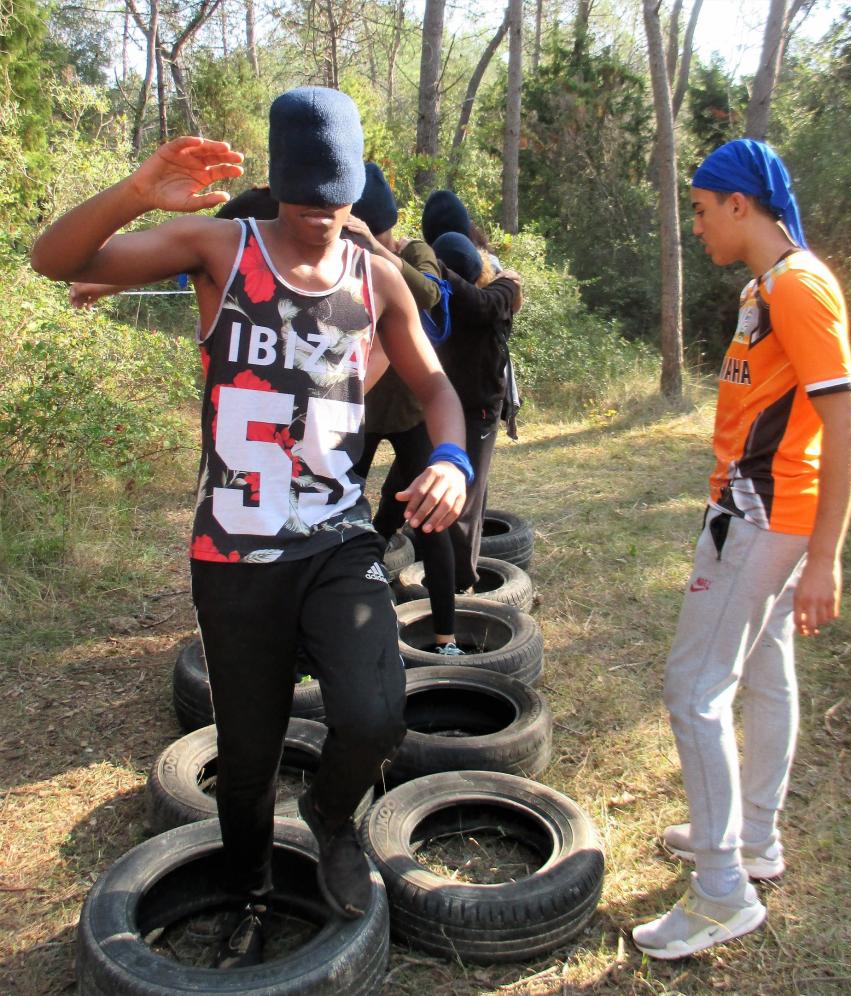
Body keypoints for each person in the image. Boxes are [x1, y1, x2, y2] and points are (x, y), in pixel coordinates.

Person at [31, 86, 471, 968]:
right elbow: (54, 258)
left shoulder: (375, 273)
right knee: (246, 754)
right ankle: (252, 891)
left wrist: (452, 461)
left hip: (336, 537)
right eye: (307, 208)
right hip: (234, 550)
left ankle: (333, 817)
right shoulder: (218, 248)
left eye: (338, 209)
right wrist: (134, 192)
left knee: (376, 713)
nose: (322, 226)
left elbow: (435, 388)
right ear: (276, 189)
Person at [632, 139, 851, 960]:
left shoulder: (798, 287)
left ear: (739, 204)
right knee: (766, 674)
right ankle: (752, 840)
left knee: (692, 689)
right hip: (756, 510)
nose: (694, 226)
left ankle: (721, 892)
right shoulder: (763, 288)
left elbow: (845, 424)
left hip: (763, 518)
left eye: (700, 209)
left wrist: (827, 556)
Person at [344, 165, 465, 654]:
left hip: (415, 411)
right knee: (337, 515)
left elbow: (431, 295)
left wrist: (374, 248)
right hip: (360, 413)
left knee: (431, 521)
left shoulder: (412, 251)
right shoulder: (342, 257)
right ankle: (344, 618)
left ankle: (445, 637)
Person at [383, 230, 522, 593]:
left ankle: (455, 581)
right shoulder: (478, 298)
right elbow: (487, 299)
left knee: (436, 493)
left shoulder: (461, 295)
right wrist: (509, 282)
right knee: (449, 500)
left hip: (454, 412)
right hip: (457, 411)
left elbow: (484, 297)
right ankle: (455, 582)